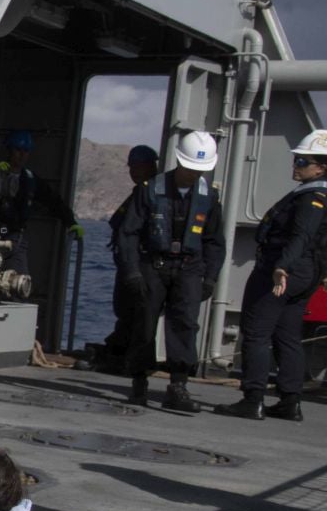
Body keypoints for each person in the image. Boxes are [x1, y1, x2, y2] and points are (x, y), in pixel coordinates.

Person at [217, 130, 325, 423]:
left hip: (281, 272)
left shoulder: (311, 199)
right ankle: (290, 401)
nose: (296, 165)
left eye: (302, 161)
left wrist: (282, 267)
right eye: (296, 159)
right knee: (287, 335)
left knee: (256, 332)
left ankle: (252, 400)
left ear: (320, 168)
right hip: (306, 275)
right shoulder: (318, 196)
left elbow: (301, 236)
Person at [118, 129, 226, 413]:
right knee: (144, 323)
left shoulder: (209, 198)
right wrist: (132, 271)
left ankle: (178, 385)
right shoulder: (149, 190)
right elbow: (128, 233)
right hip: (153, 265)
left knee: (185, 324)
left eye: (200, 169)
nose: (194, 174)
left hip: (189, 268)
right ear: (179, 161)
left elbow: (214, 241)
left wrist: (210, 278)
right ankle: (139, 380)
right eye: (190, 168)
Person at [0, 129, 78, 286]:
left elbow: (54, 201)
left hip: (15, 240)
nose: (21, 155)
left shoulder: (30, 181)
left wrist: (71, 223)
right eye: (18, 150)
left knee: (18, 284)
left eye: (25, 151)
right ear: (9, 151)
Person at [103, 145, 161, 366]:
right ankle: (121, 352)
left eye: (138, 166)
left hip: (139, 264)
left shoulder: (151, 194)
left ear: (151, 166)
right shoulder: (140, 192)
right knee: (125, 309)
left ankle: (127, 357)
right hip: (128, 263)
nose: (133, 171)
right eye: (132, 167)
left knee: (136, 311)